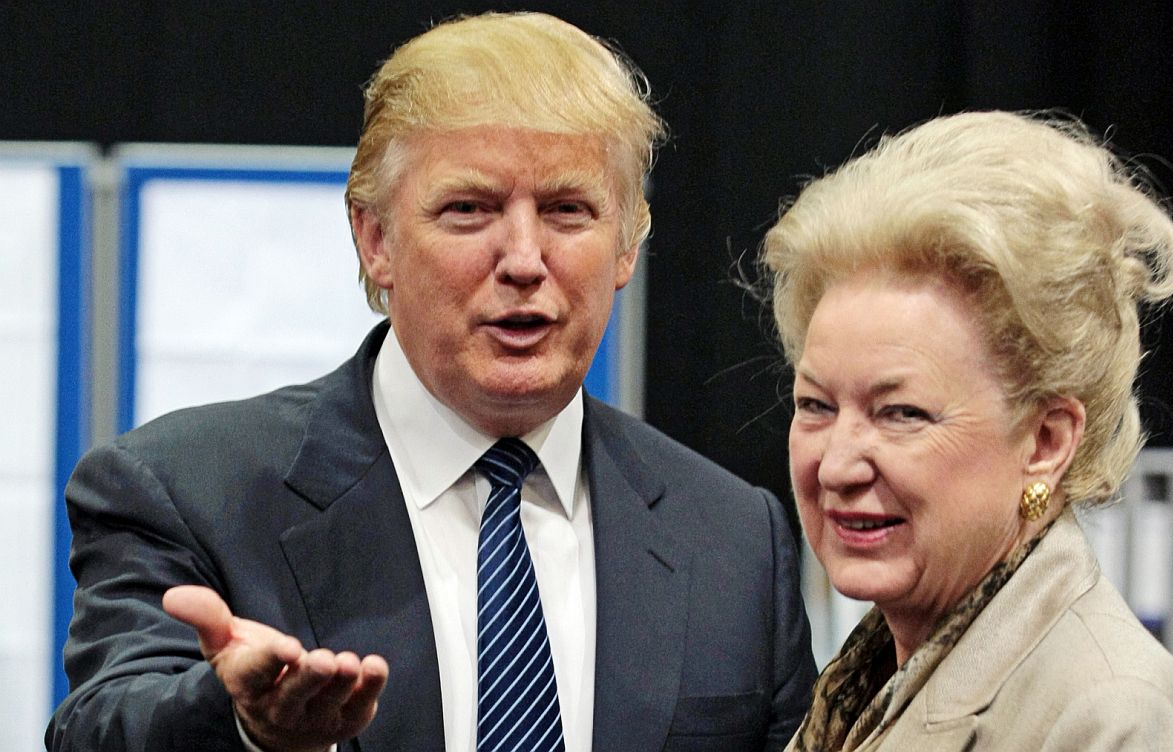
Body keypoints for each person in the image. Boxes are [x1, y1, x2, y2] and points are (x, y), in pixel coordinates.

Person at [46, 11, 816, 752]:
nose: (524, 259)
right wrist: (246, 728)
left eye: (567, 210)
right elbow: (99, 726)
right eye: (469, 209)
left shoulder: (736, 540)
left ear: (626, 246)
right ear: (375, 240)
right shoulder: (185, 491)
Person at [762, 110, 1173, 750]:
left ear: (1046, 443)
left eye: (901, 413)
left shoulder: (1110, 713)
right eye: (816, 405)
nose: (835, 465)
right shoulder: (873, 677)